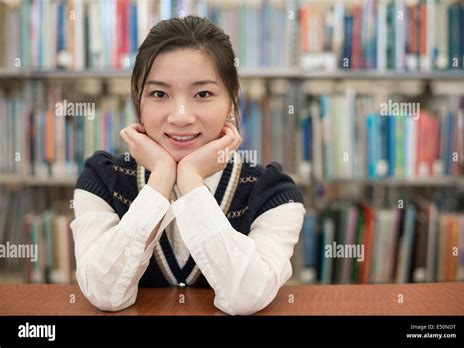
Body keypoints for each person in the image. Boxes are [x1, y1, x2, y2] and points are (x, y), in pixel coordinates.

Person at [71, 15, 305, 316]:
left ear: (232, 103)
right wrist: (162, 180)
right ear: (138, 102)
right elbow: (104, 293)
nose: (181, 116)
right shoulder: (102, 179)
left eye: (203, 94)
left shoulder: (274, 193)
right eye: (159, 94)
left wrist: (191, 180)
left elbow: (246, 297)